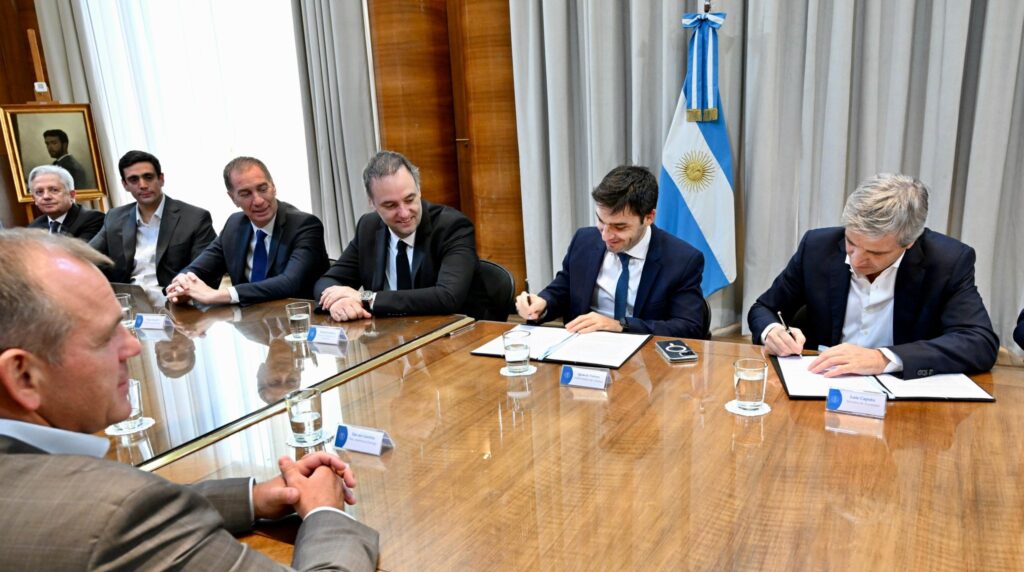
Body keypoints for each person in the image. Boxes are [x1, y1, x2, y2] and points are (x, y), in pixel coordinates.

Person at [0, 229, 379, 572]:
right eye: (105, 337)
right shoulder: (114, 528)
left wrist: (253, 497)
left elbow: (78, 514)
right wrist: (325, 513)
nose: (132, 345)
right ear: (23, 376)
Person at [748, 173, 999, 378]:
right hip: (823, 383)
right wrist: (772, 331)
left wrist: (883, 358)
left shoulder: (947, 262)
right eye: (851, 242)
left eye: (875, 252)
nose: (857, 260)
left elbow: (979, 342)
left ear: (909, 242)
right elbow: (764, 308)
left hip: (903, 397)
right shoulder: (817, 247)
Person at [516, 165, 706, 337]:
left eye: (619, 227)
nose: (605, 236)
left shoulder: (682, 260)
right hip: (583, 349)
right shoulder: (584, 240)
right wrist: (542, 303)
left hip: (645, 355)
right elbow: (564, 288)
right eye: (601, 221)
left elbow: (688, 326)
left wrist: (619, 326)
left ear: (649, 217)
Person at [314, 150, 485, 321]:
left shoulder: (452, 227)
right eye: (390, 205)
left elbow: (447, 296)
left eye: (409, 199)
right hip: (386, 332)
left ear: (419, 190)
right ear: (372, 203)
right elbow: (328, 281)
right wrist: (338, 302)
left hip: (451, 330)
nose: (404, 213)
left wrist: (367, 298)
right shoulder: (368, 227)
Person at [167, 157, 330, 305]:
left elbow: (290, 283)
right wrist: (181, 285)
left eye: (263, 189)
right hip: (247, 321)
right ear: (233, 198)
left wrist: (218, 295)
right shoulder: (234, 225)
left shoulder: (304, 226)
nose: (258, 201)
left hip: (295, 319)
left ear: (273, 187)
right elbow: (200, 268)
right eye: (246, 194)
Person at [90, 150, 216, 302]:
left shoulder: (195, 218)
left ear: (161, 179)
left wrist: (182, 292)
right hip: (128, 303)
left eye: (148, 177)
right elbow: (87, 256)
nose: (143, 185)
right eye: (134, 180)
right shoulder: (114, 217)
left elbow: (208, 270)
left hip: (175, 302)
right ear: (125, 185)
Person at [26, 164, 104, 241]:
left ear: (72, 195)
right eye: (39, 192)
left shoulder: (93, 219)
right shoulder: (34, 227)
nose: (46, 196)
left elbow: (80, 249)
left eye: (54, 190)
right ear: (34, 199)